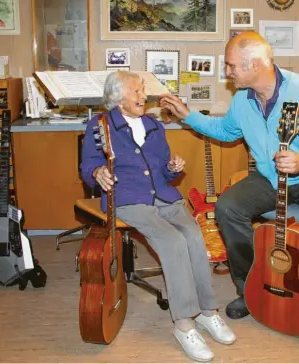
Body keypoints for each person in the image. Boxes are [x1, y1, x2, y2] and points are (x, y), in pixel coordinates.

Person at [160, 31, 299, 355]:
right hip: (270, 177)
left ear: (253, 64)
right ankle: (249, 287)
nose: (227, 72)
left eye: (230, 66)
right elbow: (224, 131)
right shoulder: (243, 100)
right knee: (227, 207)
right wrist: (188, 116)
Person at [80, 71, 236, 362]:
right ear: (118, 99)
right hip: (127, 198)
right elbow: (88, 164)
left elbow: (163, 169)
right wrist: (97, 172)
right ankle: (183, 324)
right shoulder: (100, 125)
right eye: (136, 91)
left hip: (163, 195)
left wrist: (173, 168)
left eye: (143, 90)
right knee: (173, 241)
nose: (143, 96)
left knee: (193, 236)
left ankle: (207, 311)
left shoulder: (153, 125)